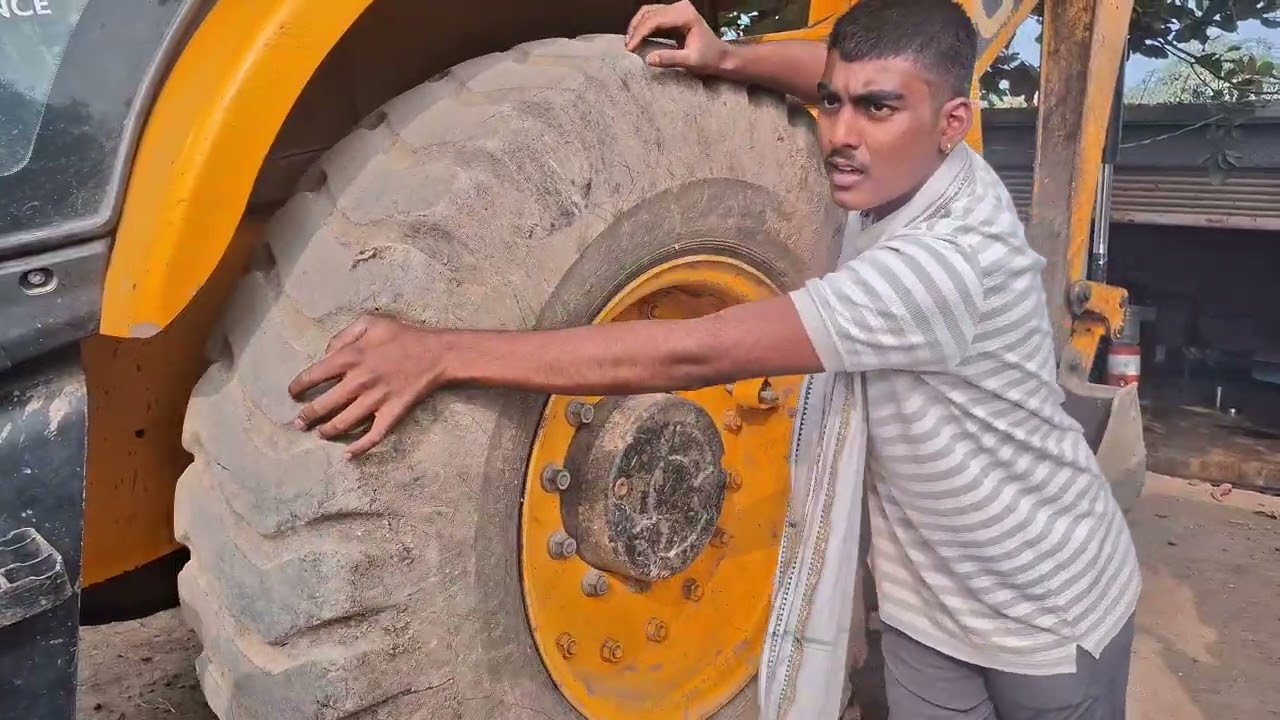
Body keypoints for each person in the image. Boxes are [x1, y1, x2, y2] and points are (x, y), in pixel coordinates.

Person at [287, 0, 1142, 718]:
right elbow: (842, 76)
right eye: (834, 104)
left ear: (952, 123)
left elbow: (701, 348)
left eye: (874, 111)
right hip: (927, 602)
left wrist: (443, 351)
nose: (839, 135)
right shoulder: (916, 168)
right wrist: (727, 54)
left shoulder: (946, 267)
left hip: (1045, 609)